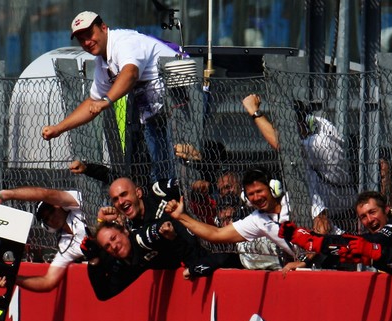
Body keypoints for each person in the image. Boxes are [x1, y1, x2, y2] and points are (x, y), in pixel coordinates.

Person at [41, 11, 182, 182]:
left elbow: (130, 73)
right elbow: (92, 102)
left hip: (181, 104)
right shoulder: (103, 62)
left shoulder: (124, 43)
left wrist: (106, 101)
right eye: (81, 39)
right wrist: (59, 128)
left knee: (180, 172)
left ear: (103, 27)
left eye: (89, 34)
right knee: (162, 177)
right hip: (156, 116)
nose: (86, 42)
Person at [241, 94, 355, 232]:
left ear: (304, 123)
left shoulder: (321, 143)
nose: (282, 133)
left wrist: (255, 112)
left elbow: (282, 145)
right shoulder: (318, 124)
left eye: (287, 129)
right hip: (323, 211)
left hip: (344, 215)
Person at [166, 168, 299, 271]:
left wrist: (306, 259)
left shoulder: (295, 202)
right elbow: (216, 234)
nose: (256, 198)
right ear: (246, 198)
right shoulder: (256, 220)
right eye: (251, 194)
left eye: (260, 191)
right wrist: (181, 216)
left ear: (273, 188)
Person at [0, 187, 87, 292]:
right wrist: (13, 278)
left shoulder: (77, 207)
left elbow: (45, 194)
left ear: (58, 205)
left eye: (51, 211)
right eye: (46, 218)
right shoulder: (65, 245)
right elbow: (47, 282)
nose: (51, 217)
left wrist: (6, 195)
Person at [84, 216, 205, 300]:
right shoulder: (119, 262)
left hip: (200, 264)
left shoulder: (142, 238)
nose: (114, 246)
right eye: (107, 246)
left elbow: (170, 224)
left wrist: (174, 239)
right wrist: (94, 261)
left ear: (125, 231)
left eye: (114, 238)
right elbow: (104, 293)